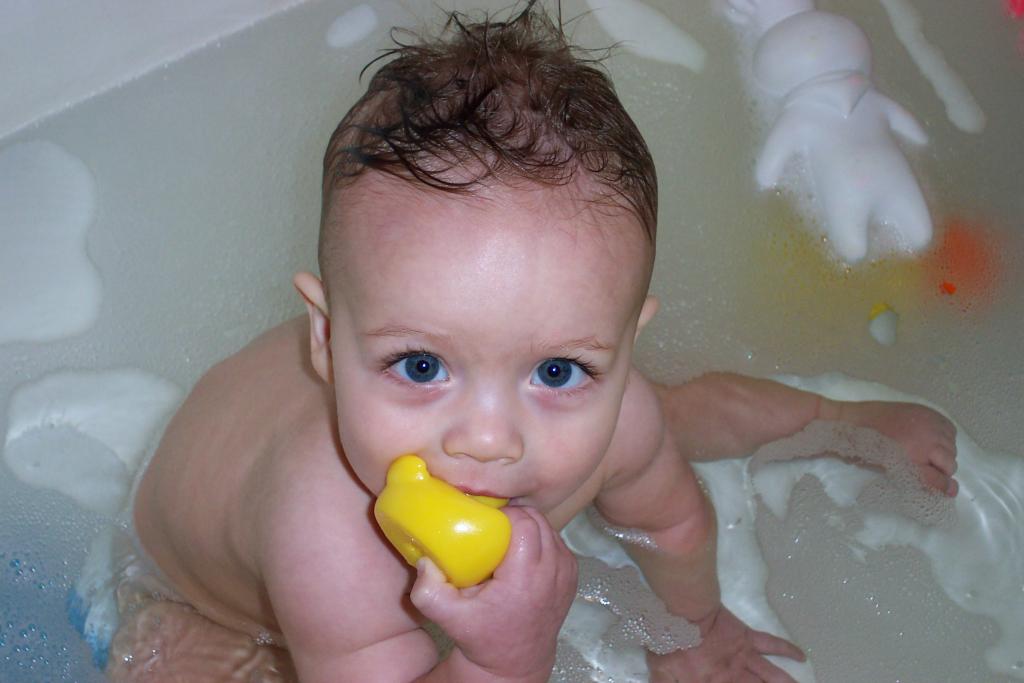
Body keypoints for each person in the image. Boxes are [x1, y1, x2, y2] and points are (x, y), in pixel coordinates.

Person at [108, 3, 959, 681]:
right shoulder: (328, 539)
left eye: (557, 369)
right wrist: (500, 661)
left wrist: (692, 631)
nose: (490, 438)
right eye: (420, 365)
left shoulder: (606, 414)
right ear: (326, 339)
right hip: (206, 601)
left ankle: (836, 419)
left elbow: (673, 522)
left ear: (624, 341)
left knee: (657, 422)